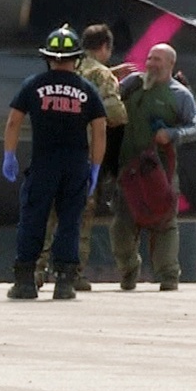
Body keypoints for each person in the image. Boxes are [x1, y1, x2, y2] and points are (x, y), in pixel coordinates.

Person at [3, 25, 107, 300]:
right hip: (75, 165)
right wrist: (95, 167)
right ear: (77, 59)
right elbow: (99, 130)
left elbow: (14, 121)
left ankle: (25, 281)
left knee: (34, 218)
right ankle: (64, 283)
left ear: (48, 58)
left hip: (44, 162)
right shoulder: (88, 90)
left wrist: (9, 155)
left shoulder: (33, 85)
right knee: (70, 221)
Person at [36, 23, 128, 291]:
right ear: (105, 47)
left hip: (48, 154)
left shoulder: (60, 68)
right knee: (78, 219)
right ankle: (71, 274)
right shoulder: (101, 76)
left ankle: (36, 270)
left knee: (46, 216)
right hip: (82, 157)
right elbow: (116, 116)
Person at [109, 43, 196, 292]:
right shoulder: (133, 84)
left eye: (158, 60)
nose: (151, 63)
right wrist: (110, 77)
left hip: (159, 170)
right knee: (122, 225)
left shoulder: (180, 95)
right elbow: (107, 98)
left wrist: (171, 134)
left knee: (164, 222)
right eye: (149, 58)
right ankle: (129, 270)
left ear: (171, 64)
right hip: (127, 169)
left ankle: (168, 276)